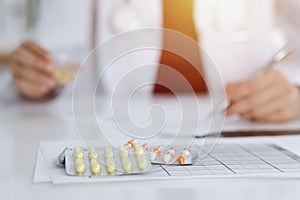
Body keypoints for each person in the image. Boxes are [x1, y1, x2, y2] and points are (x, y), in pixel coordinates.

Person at [4, 0, 300, 123]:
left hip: (243, 127)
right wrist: (37, 79)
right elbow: (56, 59)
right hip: (117, 131)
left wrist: (294, 93)